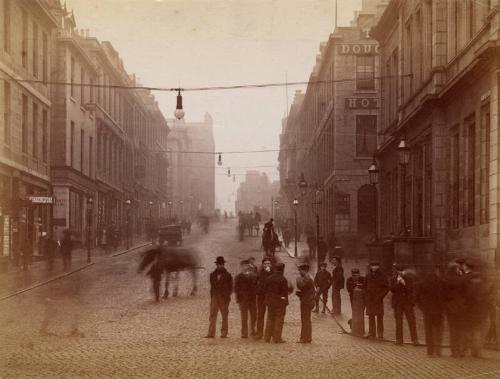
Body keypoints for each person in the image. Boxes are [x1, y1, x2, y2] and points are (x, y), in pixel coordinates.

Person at [462, 258, 491, 357]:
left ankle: (467, 349)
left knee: (470, 330)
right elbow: (488, 293)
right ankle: (476, 351)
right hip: (482, 309)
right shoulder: (484, 279)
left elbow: (465, 295)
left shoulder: (466, 279)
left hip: (470, 309)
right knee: (480, 330)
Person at [417, 265, 444, 356]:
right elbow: (444, 297)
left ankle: (430, 350)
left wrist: (422, 307)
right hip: (438, 311)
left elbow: (417, 297)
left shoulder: (423, 282)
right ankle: (438, 350)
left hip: (427, 311)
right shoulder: (441, 282)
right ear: (437, 271)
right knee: (438, 330)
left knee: (428, 331)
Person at [390, 264, 419, 346]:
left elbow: (411, 290)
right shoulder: (393, 279)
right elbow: (392, 289)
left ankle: (415, 340)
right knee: (398, 322)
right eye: (398, 271)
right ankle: (399, 339)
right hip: (398, 303)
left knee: (411, 321)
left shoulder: (409, 279)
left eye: (401, 271)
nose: (400, 273)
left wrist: (404, 283)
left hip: (407, 303)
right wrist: (397, 283)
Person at [263, 262, 291, 343]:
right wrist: (285, 301)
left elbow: (265, 289)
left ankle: (267, 337)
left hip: (270, 302)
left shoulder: (269, 278)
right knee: (279, 320)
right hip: (279, 303)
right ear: (283, 269)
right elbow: (284, 293)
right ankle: (277, 338)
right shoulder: (283, 279)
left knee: (270, 318)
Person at [205, 256, 233, 338]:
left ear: (223, 265)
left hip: (224, 298)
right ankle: (211, 333)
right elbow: (212, 287)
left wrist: (227, 297)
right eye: (218, 264)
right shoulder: (212, 275)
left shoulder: (228, 276)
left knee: (224, 315)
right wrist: (212, 296)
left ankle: (224, 333)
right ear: (216, 265)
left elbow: (231, 288)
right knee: (212, 315)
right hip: (214, 297)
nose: (220, 266)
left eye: (221, 264)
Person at [443, 261, 466, 357]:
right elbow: (466, 292)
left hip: (450, 308)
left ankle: (454, 351)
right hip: (460, 307)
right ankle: (460, 350)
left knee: (453, 329)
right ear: (455, 270)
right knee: (460, 329)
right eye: (458, 269)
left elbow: (443, 295)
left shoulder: (446, 280)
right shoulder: (461, 279)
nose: (459, 270)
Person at [365, 261, 388, 339]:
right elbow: (365, 286)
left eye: (376, 266)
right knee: (371, 316)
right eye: (372, 266)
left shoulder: (383, 276)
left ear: (378, 266)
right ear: (370, 267)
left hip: (378, 299)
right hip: (370, 299)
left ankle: (380, 333)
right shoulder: (368, 275)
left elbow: (386, 288)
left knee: (379, 316)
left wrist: (380, 296)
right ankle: (372, 332)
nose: (374, 267)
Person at [234, 260, 258, 338]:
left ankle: (252, 330)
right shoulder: (239, 277)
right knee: (244, 317)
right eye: (244, 267)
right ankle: (244, 332)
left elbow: (257, 286)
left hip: (252, 299)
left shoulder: (254, 276)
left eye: (248, 266)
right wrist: (238, 298)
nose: (246, 268)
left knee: (254, 316)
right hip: (243, 299)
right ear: (242, 267)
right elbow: (236, 288)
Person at [254, 257, 273, 340]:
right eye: (265, 263)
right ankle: (259, 333)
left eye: (268, 263)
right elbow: (255, 284)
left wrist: (269, 273)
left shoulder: (273, 273)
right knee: (260, 315)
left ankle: (269, 333)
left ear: (271, 265)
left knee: (271, 315)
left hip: (270, 297)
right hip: (261, 297)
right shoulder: (259, 273)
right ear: (262, 265)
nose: (267, 265)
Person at [296, 263, 315, 343]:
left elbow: (301, 286)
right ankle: (306, 338)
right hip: (307, 300)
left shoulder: (307, 278)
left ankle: (305, 338)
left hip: (306, 302)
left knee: (305, 320)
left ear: (304, 270)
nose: (299, 272)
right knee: (306, 320)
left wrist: (298, 280)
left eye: (300, 271)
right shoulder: (308, 277)